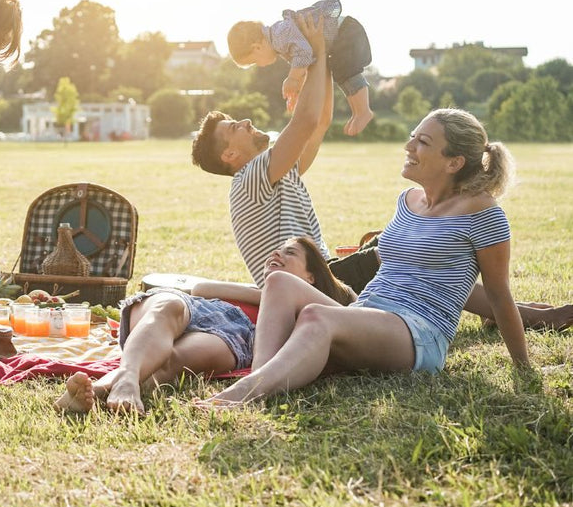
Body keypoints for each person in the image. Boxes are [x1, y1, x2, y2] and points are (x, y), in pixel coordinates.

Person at [193, 13, 573, 331]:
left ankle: (511, 310)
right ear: (230, 154)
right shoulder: (253, 176)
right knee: (399, 253)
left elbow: (320, 120)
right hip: (304, 291)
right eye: (233, 128)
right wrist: (317, 50)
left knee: (396, 249)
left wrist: (317, 59)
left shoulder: (275, 172)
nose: (243, 121)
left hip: (321, 277)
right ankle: (527, 316)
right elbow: (306, 117)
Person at [197, 109, 530, 408]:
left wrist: (524, 370)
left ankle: (246, 393)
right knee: (280, 281)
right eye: (412, 137)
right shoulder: (408, 201)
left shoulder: (484, 214)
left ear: (453, 162)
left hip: (419, 334)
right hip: (369, 311)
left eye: (423, 142)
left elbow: (499, 295)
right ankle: (260, 377)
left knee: (317, 316)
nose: (408, 147)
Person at [54, 237, 356, 415]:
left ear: (311, 278)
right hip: (194, 308)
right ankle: (127, 379)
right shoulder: (260, 290)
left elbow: (344, 317)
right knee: (167, 306)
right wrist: (264, 292)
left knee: (175, 361)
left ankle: (96, 390)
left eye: (290, 253)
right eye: (277, 249)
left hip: (236, 336)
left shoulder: (307, 307)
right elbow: (200, 290)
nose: (277, 254)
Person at [227, 0, 374, 136]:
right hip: (342, 34)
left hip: (345, 31)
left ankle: (363, 111)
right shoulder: (280, 44)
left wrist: (292, 79)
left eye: (254, 62)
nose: (259, 65)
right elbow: (305, 65)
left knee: (346, 70)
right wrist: (297, 89)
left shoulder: (280, 36)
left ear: (257, 48)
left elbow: (305, 54)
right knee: (342, 72)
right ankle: (358, 113)